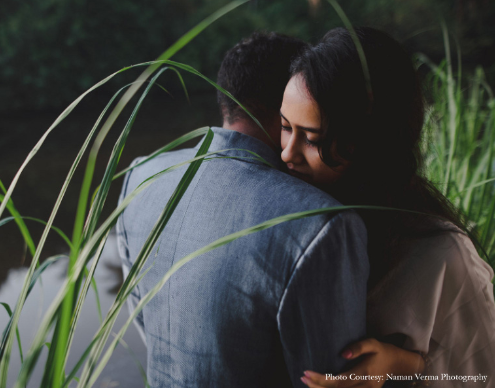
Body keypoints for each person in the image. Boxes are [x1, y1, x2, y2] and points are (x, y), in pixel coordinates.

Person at [116, 32, 370, 387]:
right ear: (292, 98)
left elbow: (144, 320)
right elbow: (334, 379)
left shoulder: (141, 176)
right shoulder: (320, 223)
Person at [278, 27, 495, 387]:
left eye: (313, 139)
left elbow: (480, 372)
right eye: (285, 127)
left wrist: (405, 365)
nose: (287, 153)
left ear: (371, 145)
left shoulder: (441, 257)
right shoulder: (277, 214)